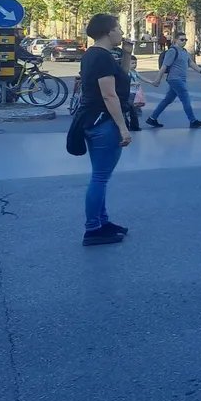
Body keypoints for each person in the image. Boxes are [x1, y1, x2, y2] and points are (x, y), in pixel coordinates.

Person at [78, 14, 133, 246]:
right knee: (100, 177)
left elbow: (123, 79)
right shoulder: (101, 58)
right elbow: (109, 95)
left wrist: (128, 54)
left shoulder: (95, 55)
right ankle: (92, 229)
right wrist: (122, 127)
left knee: (100, 176)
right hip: (103, 122)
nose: (121, 32)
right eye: (118, 28)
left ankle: (102, 221)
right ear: (108, 32)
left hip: (92, 120)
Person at [146, 32, 201, 129]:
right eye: (182, 39)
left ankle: (152, 118)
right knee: (185, 98)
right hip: (174, 79)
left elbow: (191, 63)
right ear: (175, 40)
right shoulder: (172, 51)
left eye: (185, 40)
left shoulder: (184, 51)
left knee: (167, 100)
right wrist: (157, 80)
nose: (184, 41)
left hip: (181, 79)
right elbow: (164, 66)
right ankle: (193, 120)